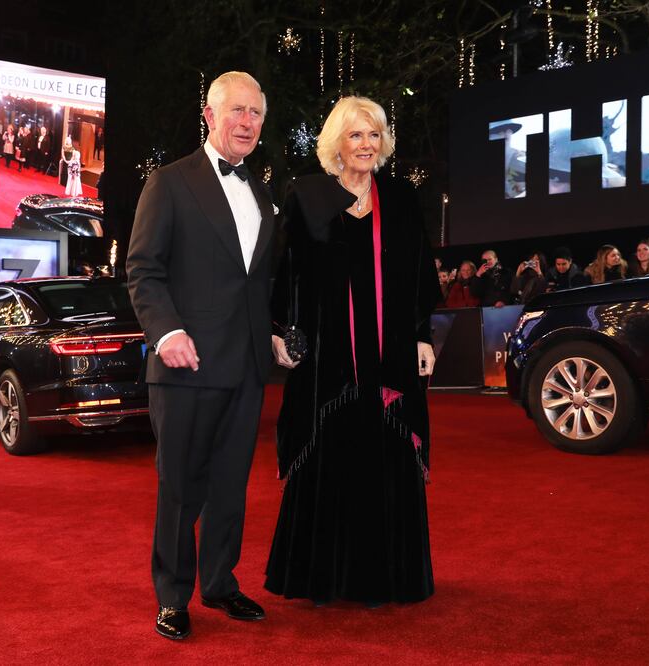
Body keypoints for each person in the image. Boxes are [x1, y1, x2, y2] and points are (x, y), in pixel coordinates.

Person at [265, 95, 439, 607]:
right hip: (326, 360)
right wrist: (280, 331)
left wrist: (423, 334)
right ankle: (323, 579)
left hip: (390, 359)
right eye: (355, 135)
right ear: (336, 144)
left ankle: (388, 579)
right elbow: (284, 273)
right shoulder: (306, 197)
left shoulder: (401, 199)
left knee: (388, 458)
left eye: (374, 134)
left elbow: (418, 275)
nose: (366, 144)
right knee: (329, 458)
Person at [126, 71, 274, 641]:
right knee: (180, 488)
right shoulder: (169, 182)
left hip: (246, 365)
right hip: (185, 365)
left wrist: (274, 333)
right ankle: (172, 595)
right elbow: (143, 269)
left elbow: (252, 282)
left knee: (230, 487)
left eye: (256, 113)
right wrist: (166, 333)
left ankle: (219, 583)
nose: (247, 122)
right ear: (209, 115)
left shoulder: (260, 190)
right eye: (237, 110)